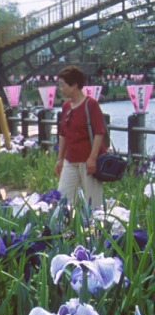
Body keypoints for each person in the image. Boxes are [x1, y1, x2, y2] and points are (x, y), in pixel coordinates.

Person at [55, 64, 106, 207]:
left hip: (87, 160)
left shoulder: (91, 105)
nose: (61, 89)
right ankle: (64, 226)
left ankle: (96, 227)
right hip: (70, 160)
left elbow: (99, 132)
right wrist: (60, 158)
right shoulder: (66, 106)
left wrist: (92, 158)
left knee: (93, 201)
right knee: (63, 197)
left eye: (63, 85)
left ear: (75, 85)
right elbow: (63, 134)